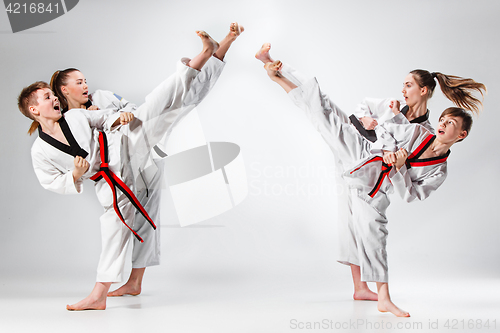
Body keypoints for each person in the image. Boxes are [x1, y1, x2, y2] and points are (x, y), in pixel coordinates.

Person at [256, 43, 486, 305]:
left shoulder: (426, 132)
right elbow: (367, 110)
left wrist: (395, 159)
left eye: (408, 84)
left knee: (353, 216)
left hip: (363, 162)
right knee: (320, 107)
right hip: (358, 143)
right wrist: (371, 121)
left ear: (423, 91)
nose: (402, 89)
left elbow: (409, 183)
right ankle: (278, 69)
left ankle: (361, 288)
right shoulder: (398, 110)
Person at [18, 28, 228, 311]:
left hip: (128, 145)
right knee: (115, 229)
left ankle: (206, 54)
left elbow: (108, 116)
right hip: (113, 180)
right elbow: (50, 181)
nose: (54, 98)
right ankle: (101, 294)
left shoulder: (80, 114)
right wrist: (75, 176)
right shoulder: (43, 147)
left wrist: (119, 117)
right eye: (47, 97)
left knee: (163, 101)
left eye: (51, 94)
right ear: (35, 109)